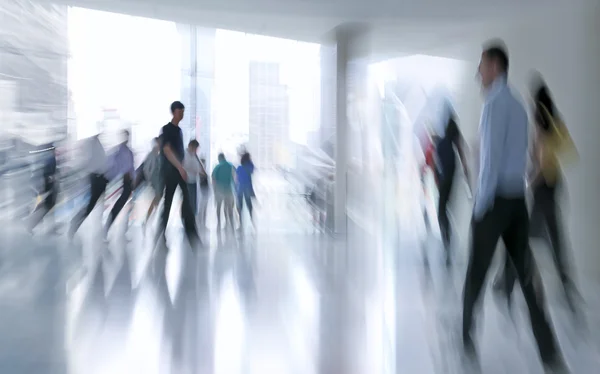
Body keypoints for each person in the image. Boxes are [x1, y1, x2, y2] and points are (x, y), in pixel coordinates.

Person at [462, 42, 568, 372]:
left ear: (495, 67)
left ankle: (464, 337)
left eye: (482, 66)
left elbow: (490, 162)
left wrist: (480, 206)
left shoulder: (494, 105)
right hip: (517, 204)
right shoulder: (521, 105)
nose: (478, 73)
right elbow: (524, 159)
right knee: (528, 279)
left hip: (494, 205)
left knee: (476, 273)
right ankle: (549, 352)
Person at [493, 74, 580, 312]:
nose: (530, 103)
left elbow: (541, 162)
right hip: (553, 187)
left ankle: (506, 283)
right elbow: (551, 155)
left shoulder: (541, 119)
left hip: (543, 189)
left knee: (522, 238)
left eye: (531, 99)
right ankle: (567, 289)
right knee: (555, 241)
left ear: (536, 99)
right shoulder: (554, 119)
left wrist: (528, 182)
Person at [157, 101, 200, 248]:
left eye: (183, 111)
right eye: (181, 110)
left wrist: (183, 168)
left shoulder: (179, 131)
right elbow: (167, 150)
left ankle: (191, 233)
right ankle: (161, 232)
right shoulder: (167, 129)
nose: (182, 113)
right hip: (170, 171)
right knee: (168, 202)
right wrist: (180, 168)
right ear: (174, 111)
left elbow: (180, 153)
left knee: (187, 200)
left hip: (179, 170)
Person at [433, 106, 470, 266]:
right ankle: (447, 240)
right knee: (442, 209)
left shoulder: (450, 130)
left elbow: (461, 149)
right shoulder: (447, 133)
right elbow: (461, 150)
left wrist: (466, 171)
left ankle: (447, 241)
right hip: (447, 172)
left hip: (447, 173)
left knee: (441, 210)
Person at [69, 133, 108, 239]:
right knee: (91, 205)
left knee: (97, 205)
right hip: (96, 178)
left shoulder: (97, 144)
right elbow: (88, 161)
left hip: (100, 178)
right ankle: (75, 223)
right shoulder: (91, 144)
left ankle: (99, 232)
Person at [103, 130, 135, 237]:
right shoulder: (118, 151)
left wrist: (133, 178)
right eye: (125, 136)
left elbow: (131, 167)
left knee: (128, 205)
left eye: (128, 136)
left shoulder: (129, 152)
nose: (127, 139)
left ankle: (124, 230)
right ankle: (107, 227)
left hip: (128, 181)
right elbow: (114, 165)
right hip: (121, 180)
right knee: (119, 205)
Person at [27, 144, 58, 233]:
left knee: (47, 206)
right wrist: (52, 178)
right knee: (45, 206)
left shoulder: (50, 159)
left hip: (48, 187)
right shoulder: (50, 159)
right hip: (47, 187)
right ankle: (30, 224)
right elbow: (46, 174)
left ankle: (33, 224)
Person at [142, 136, 163, 230]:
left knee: (157, 199)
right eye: (159, 143)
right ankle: (148, 218)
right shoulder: (151, 155)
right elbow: (146, 168)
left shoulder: (158, 155)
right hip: (155, 179)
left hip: (159, 178)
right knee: (157, 198)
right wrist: (149, 179)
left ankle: (149, 218)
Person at [212, 153, 235, 230]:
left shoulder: (217, 166)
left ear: (219, 158)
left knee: (219, 206)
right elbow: (235, 177)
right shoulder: (231, 165)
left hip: (219, 190)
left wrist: (214, 190)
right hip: (229, 189)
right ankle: (230, 222)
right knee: (229, 207)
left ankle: (219, 222)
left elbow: (213, 179)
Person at [182, 139, 202, 215]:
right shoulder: (184, 154)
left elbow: (197, 167)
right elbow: (185, 166)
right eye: (195, 148)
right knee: (188, 201)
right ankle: (187, 217)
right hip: (187, 180)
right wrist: (196, 170)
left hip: (193, 180)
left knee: (193, 201)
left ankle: (192, 217)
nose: (195, 150)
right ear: (190, 146)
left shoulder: (193, 155)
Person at [236, 152, 255, 229]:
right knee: (249, 204)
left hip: (240, 187)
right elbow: (252, 170)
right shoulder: (250, 167)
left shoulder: (239, 168)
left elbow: (236, 179)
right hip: (247, 187)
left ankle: (240, 222)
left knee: (240, 205)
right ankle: (252, 219)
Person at [198, 157, 210, 230]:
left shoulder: (204, 173)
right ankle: (200, 224)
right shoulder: (199, 173)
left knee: (204, 209)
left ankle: (203, 224)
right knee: (200, 209)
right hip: (201, 193)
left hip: (205, 193)